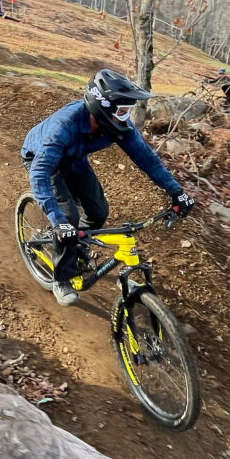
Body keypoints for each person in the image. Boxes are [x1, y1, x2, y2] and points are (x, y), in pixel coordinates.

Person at [21, 69, 195, 306]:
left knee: (99, 212)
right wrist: (57, 220)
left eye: (129, 111)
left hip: (74, 159)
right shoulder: (65, 125)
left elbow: (147, 159)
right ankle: (61, 279)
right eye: (123, 111)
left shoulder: (117, 126)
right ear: (101, 107)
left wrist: (177, 191)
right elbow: (40, 172)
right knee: (67, 217)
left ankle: (73, 244)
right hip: (42, 160)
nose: (127, 117)